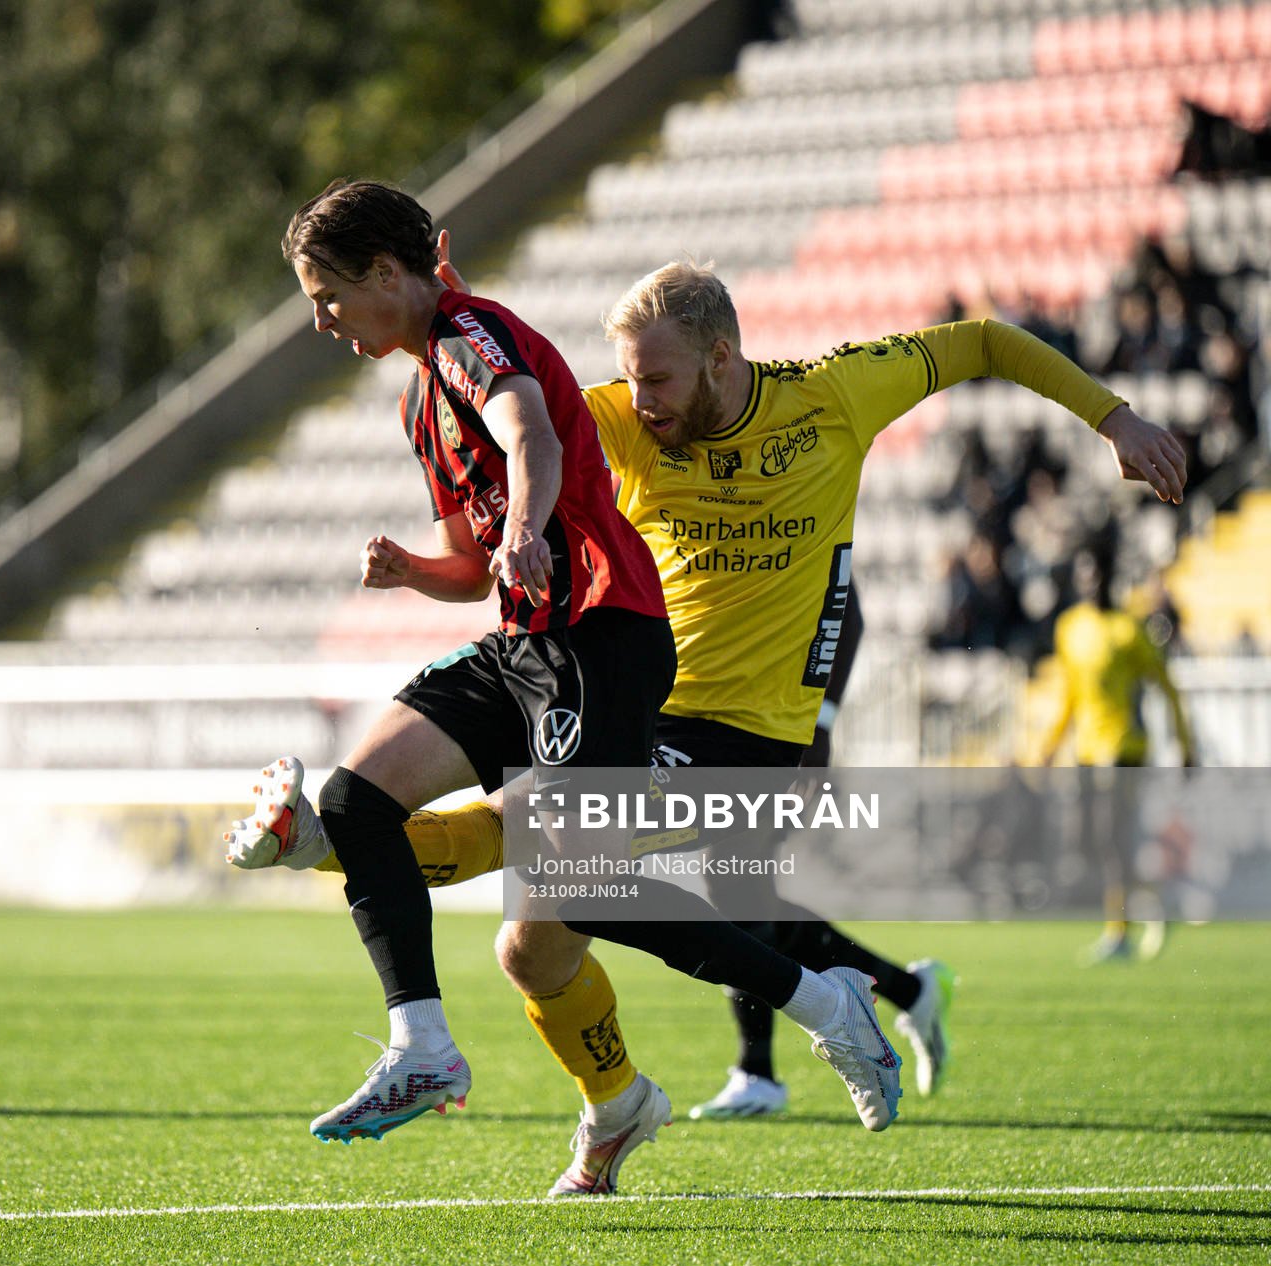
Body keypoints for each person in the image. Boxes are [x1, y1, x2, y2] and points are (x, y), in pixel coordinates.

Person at [232, 249, 1188, 1188]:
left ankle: (320, 842)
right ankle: (615, 1113)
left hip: (747, 740)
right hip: (632, 705)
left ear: (722, 357)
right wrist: (448, 304)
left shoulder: (835, 396)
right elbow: (523, 397)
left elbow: (982, 340)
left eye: (657, 378)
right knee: (530, 947)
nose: (638, 399)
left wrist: (1116, 418)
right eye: (629, 378)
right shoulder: (621, 417)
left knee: (531, 848)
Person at [247, 182, 906, 1188]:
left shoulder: (471, 336)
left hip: (607, 636)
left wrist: (522, 526)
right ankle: (424, 1041)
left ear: (386, 275)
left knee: (564, 883)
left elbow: (534, 437)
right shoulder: (422, 395)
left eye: (326, 294)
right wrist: (415, 570)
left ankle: (824, 1001)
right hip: (529, 646)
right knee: (358, 795)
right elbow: (468, 564)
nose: (321, 319)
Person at [1038, 546, 1197, 963]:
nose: (1090, 583)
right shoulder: (1071, 628)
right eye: (1084, 574)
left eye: (1097, 574)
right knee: (1091, 843)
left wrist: (1186, 744)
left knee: (1112, 839)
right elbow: (1070, 696)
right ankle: (1153, 901)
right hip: (1087, 749)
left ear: (1108, 578)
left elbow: (1167, 686)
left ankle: (1119, 933)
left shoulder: (1128, 630)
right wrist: (1049, 747)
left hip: (1125, 747)